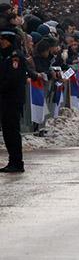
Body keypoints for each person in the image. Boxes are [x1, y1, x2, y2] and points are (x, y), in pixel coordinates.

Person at [0, 29, 28, 172]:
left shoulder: (14, 57)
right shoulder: (6, 56)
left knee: (12, 131)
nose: (1, 42)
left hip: (12, 98)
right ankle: (13, 160)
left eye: (3, 40)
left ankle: (16, 162)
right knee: (8, 131)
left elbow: (13, 78)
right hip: (7, 98)